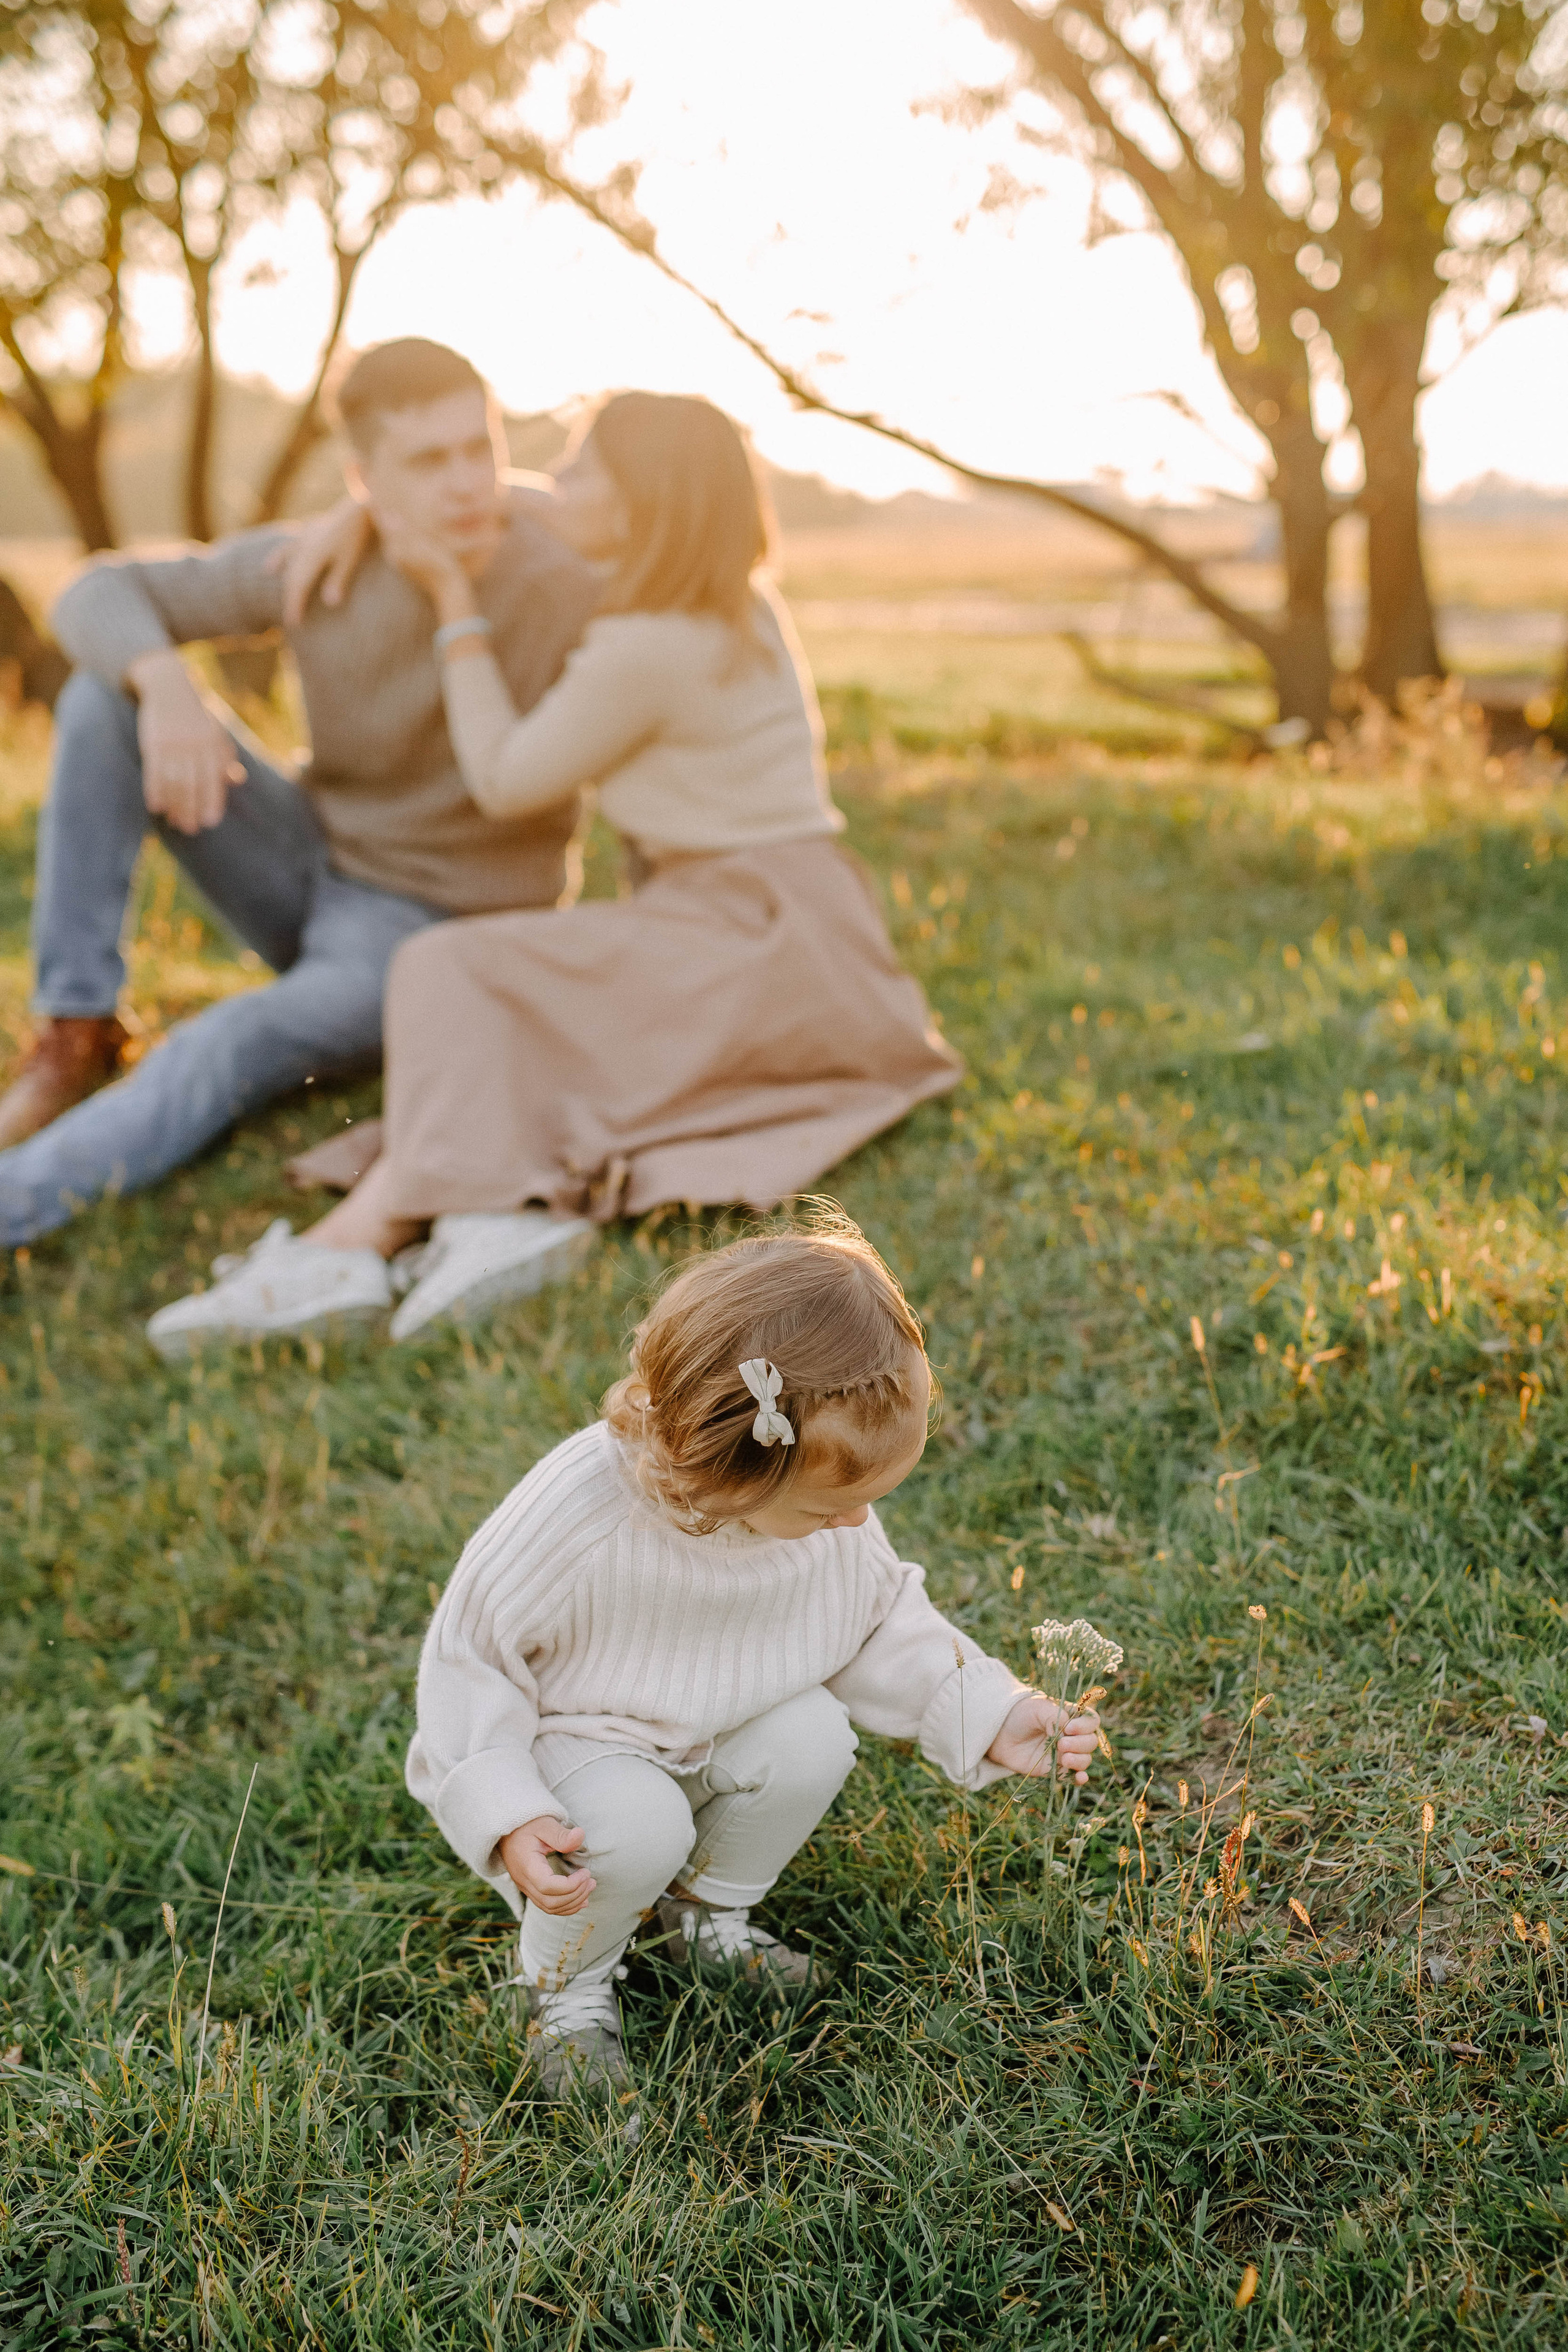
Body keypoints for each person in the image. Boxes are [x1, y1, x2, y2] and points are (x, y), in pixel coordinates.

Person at [144, 392, 962, 1355]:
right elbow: (527, 503)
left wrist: (454, 606)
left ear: (633, 501)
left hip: (740, 933)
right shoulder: (726, 599)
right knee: (510, 1015)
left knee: (446, 967)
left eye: (579, 469)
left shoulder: (648, 646)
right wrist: (365, 510)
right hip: (799, 929)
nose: (552, 484)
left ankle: (360, 1244)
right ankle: (455, 1225)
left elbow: (503, 781)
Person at [403, 1217, 1105, 2102]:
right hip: (575, 1742)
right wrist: (509, 1810)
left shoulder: (819, 1504)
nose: (855, 1524)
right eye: (826, 1510)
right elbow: (471, 1656)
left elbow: (879, 1617)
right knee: (638, 1825)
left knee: (813, 1738)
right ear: (730, 1474)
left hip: (709, 1722)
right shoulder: (581, 1517)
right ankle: (563, 1992)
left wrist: (992, 1711)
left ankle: (701, 1919)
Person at [0, 339, 598, 1261]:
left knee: (225, 1040)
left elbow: (664, 538)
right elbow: (95, 593)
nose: (466, 484)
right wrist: (166, 684)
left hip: (433, 932)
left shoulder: (559, 570)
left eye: (478, 449)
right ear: (364, 480)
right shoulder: (324, 560)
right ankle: (77, 1030)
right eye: (427, 462)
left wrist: (524, 504)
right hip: (308, 862)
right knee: (102, 693)